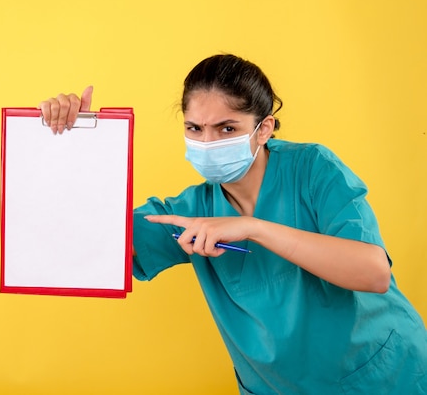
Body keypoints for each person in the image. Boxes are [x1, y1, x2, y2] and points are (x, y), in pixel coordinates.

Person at [39, 54, 427, 394]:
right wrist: (74, 146)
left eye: (226, 129)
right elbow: (85, 240)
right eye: (195, 129)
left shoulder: (313, 170)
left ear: (264, 129)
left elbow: (373, 272)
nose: (207, 142)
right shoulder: (191, 211)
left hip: (380, 377)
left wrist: (253, 227)